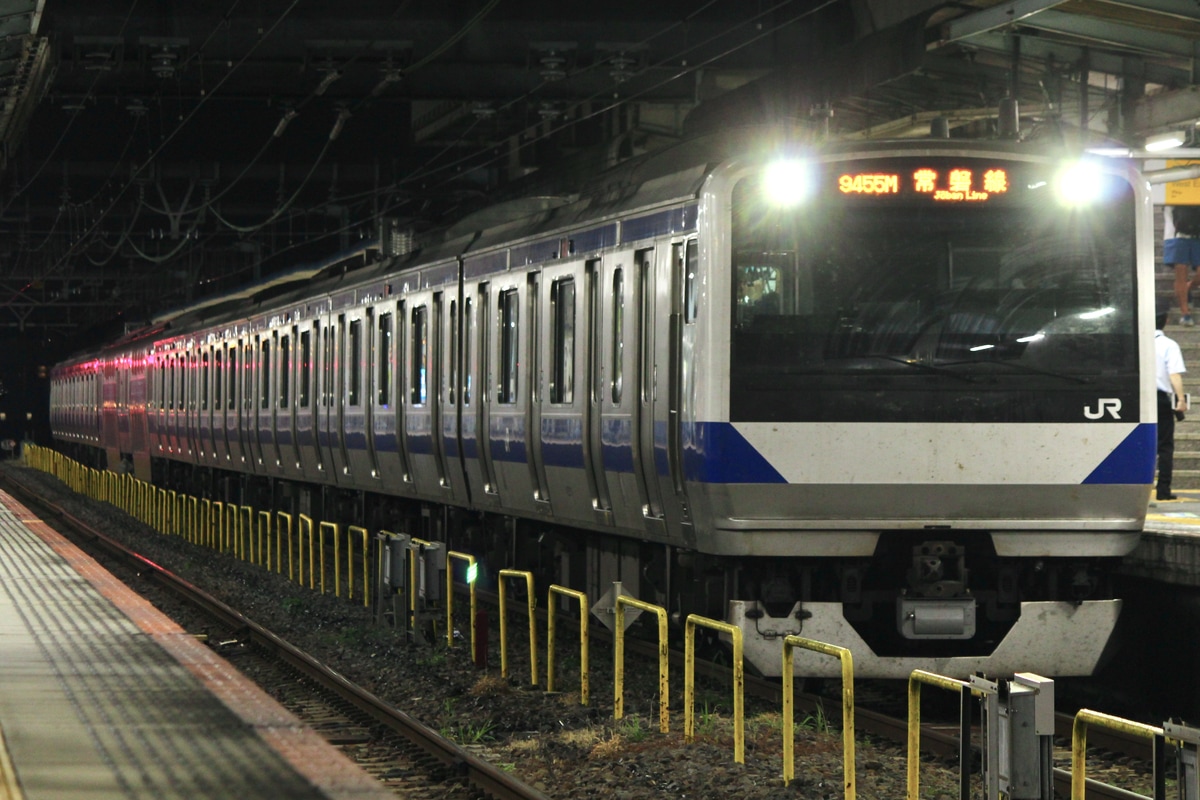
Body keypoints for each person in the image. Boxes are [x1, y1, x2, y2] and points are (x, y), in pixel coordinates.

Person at [1156, 310, 1188, 500]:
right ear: (1166, 321)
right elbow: (1174, 374)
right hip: (1160, 399)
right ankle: (1163, 490)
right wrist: (1181, 399)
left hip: (1134, 397)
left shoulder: (1136, 343)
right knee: (1165, 446)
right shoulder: (1169, 345)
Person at [1166, 204, 1200, 325]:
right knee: (1181, 271)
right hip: (1177, 234)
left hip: (1197, 233)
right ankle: (1185, 313)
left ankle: (1187, 288)